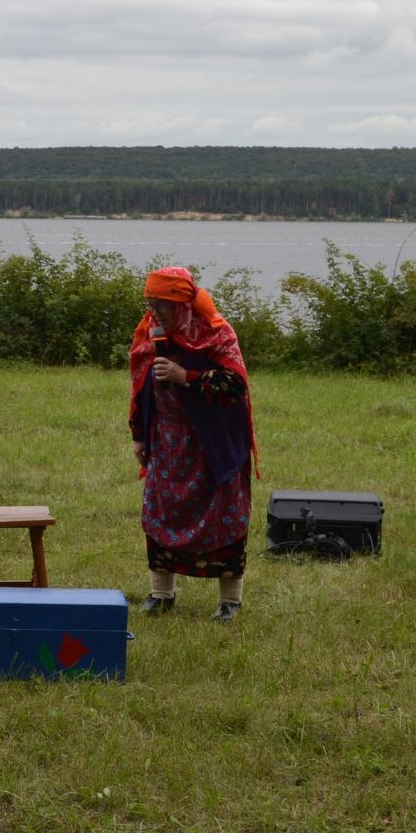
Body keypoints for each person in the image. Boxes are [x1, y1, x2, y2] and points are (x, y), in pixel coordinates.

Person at [128, 266, 258, 621]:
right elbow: (140, 383)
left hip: (213, 442)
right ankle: (161, 594)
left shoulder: (217, 333)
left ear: (183, 304)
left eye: (163, 306)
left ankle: (230, 601)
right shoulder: (149, 333)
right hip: (167, 442)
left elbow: (235, 385)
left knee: (225, 517)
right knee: (161, 513)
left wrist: (186, 377)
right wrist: (139, 434)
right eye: (151, 304)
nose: (155, 313)